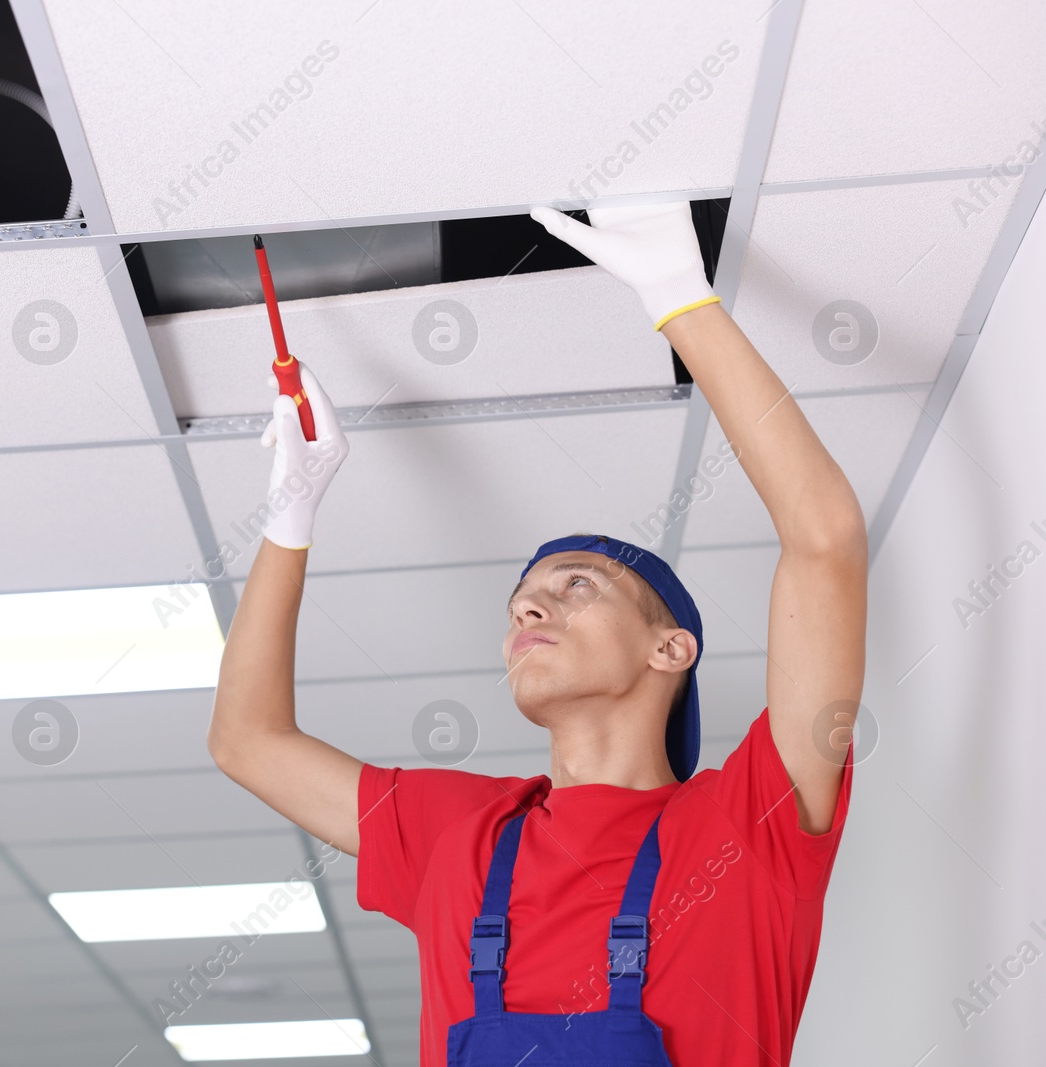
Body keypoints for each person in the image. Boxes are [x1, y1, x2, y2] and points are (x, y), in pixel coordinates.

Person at [207, 202, 867, 1067]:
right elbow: (246, 741)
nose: (528, 608)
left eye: (577, 585)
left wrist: (681, 303)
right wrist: (288, 518)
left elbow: (824, 541)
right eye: (522, 599)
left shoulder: (753, 823)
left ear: (669, 648)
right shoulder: (462, 834)